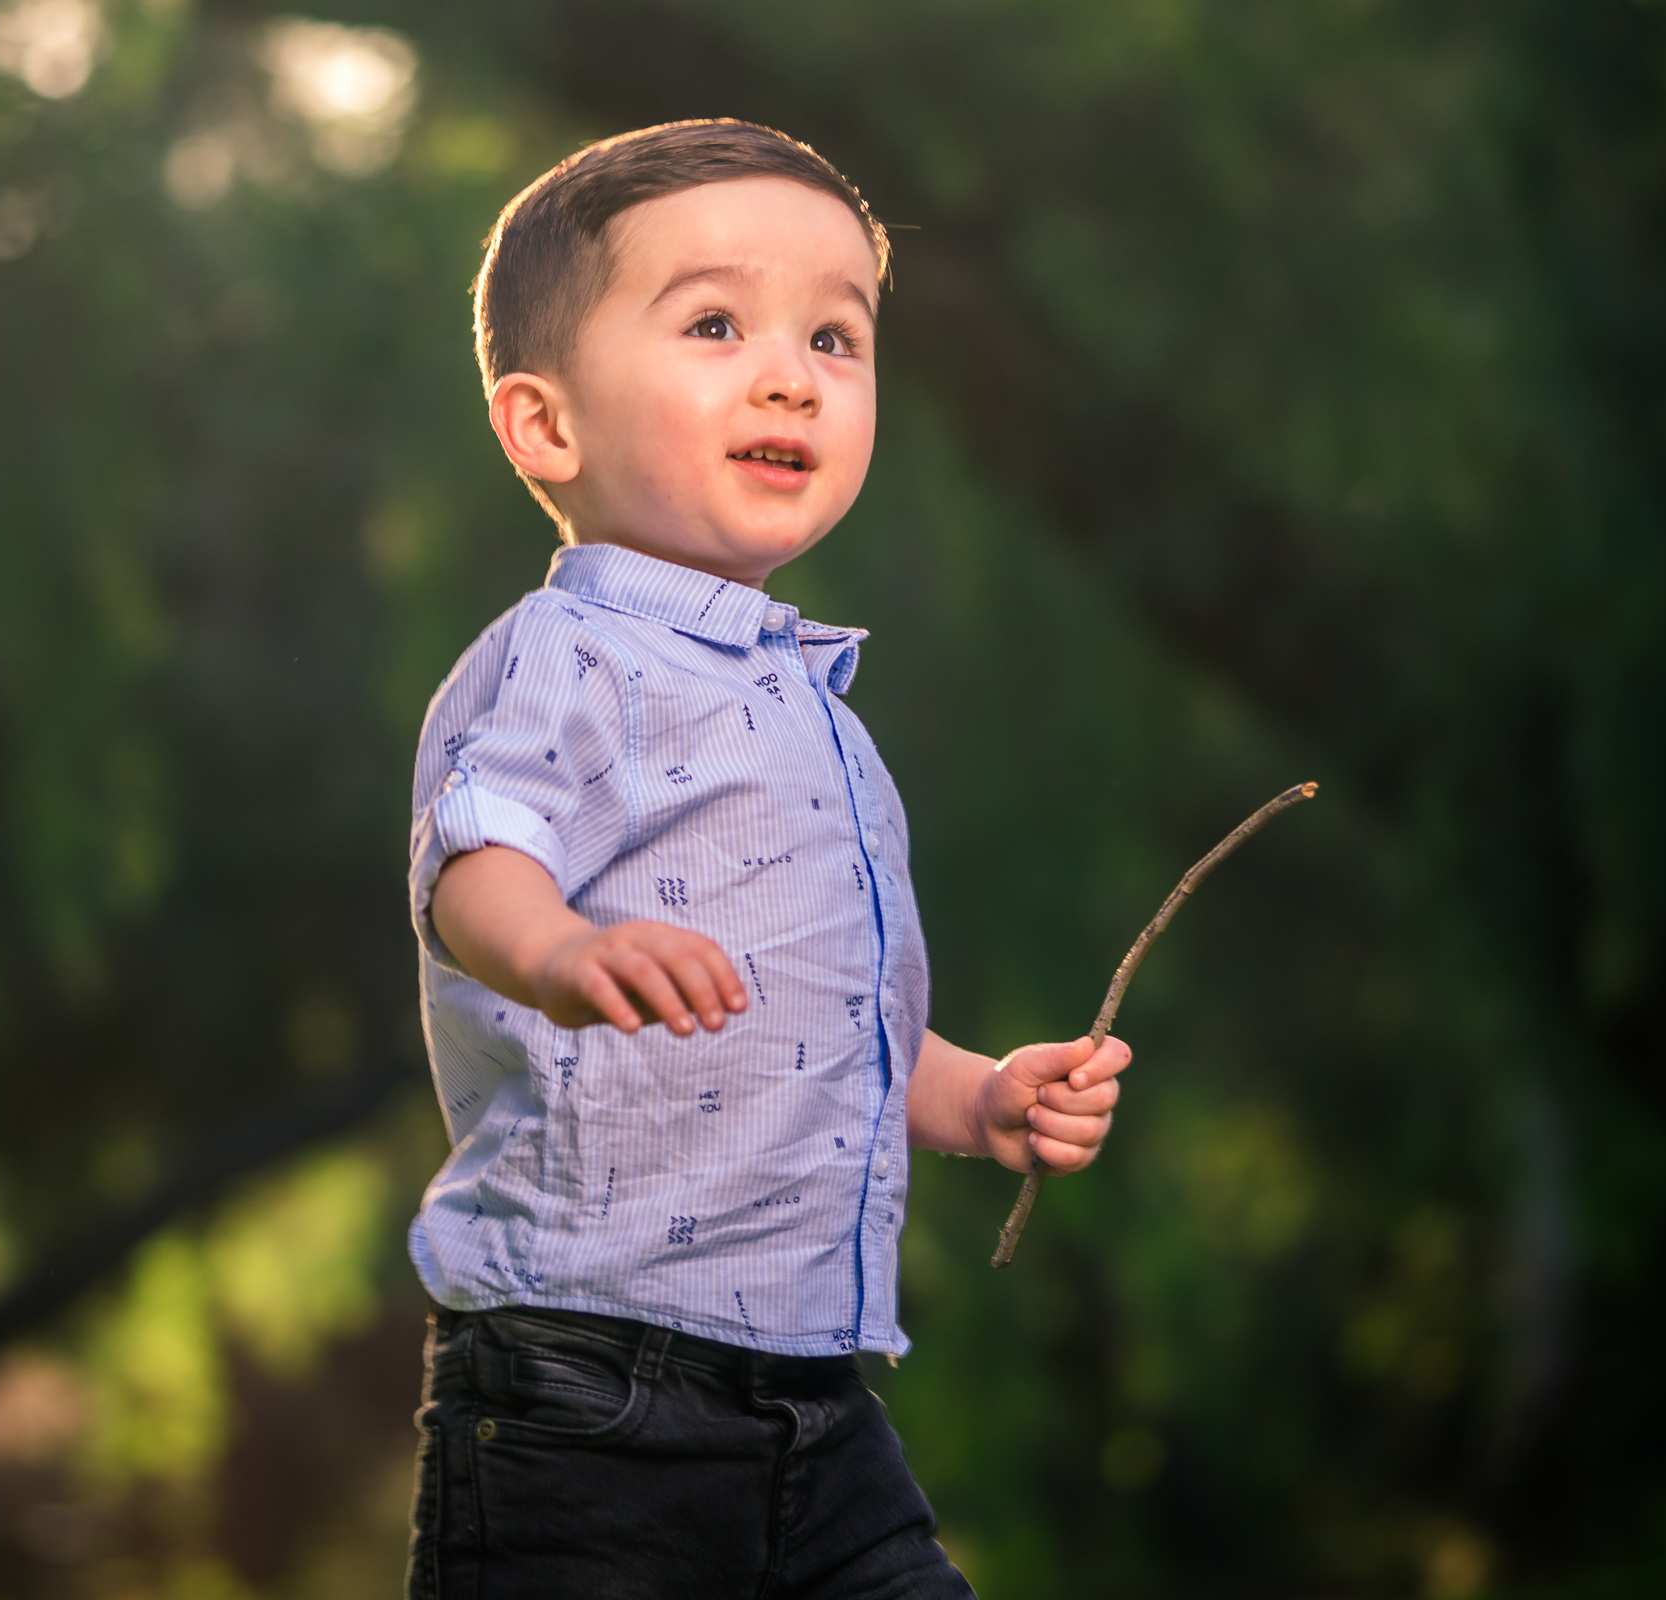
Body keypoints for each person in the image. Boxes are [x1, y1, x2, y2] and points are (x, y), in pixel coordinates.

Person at [401, 120, 1130, 1599]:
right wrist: (558, 953)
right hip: (585, 1396)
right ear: (545, 425)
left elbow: (823, 1029)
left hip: (818, 1400)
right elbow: (476, 859)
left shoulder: (823, 723)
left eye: (837, 337)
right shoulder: (564, 658)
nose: (791, 373)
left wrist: (978, 1097)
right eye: (717, 324)